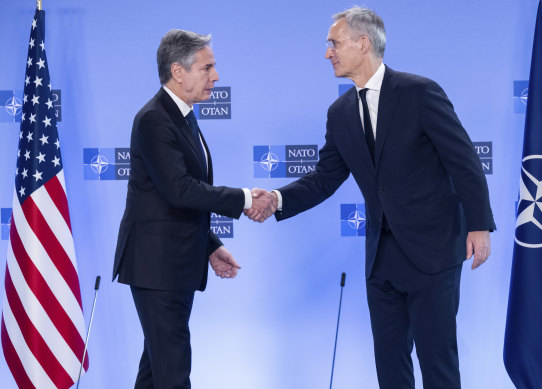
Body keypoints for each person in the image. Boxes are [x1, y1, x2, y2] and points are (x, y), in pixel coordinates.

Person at [246, 7, 495, 389]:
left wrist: (479, 225)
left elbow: (463, 162)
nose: (327, 52)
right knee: (390, 367)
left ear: (363, 43)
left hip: (433, 252)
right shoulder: (340, 112)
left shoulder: (419, 92)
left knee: (438, 362)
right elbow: (326, 177)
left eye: (334, 43)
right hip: (382, 261)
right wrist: (277, 199)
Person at [112, 29, 274, 388]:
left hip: (173, 267)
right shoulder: (154, 119)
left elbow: (170, 198)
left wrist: (211, 245)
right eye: (208, 67)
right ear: (178, 71)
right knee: (172, 374)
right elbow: (180, 190)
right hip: (157, 270)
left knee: (156, 373)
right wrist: (246, 198)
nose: (216, 76)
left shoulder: (182, 115)